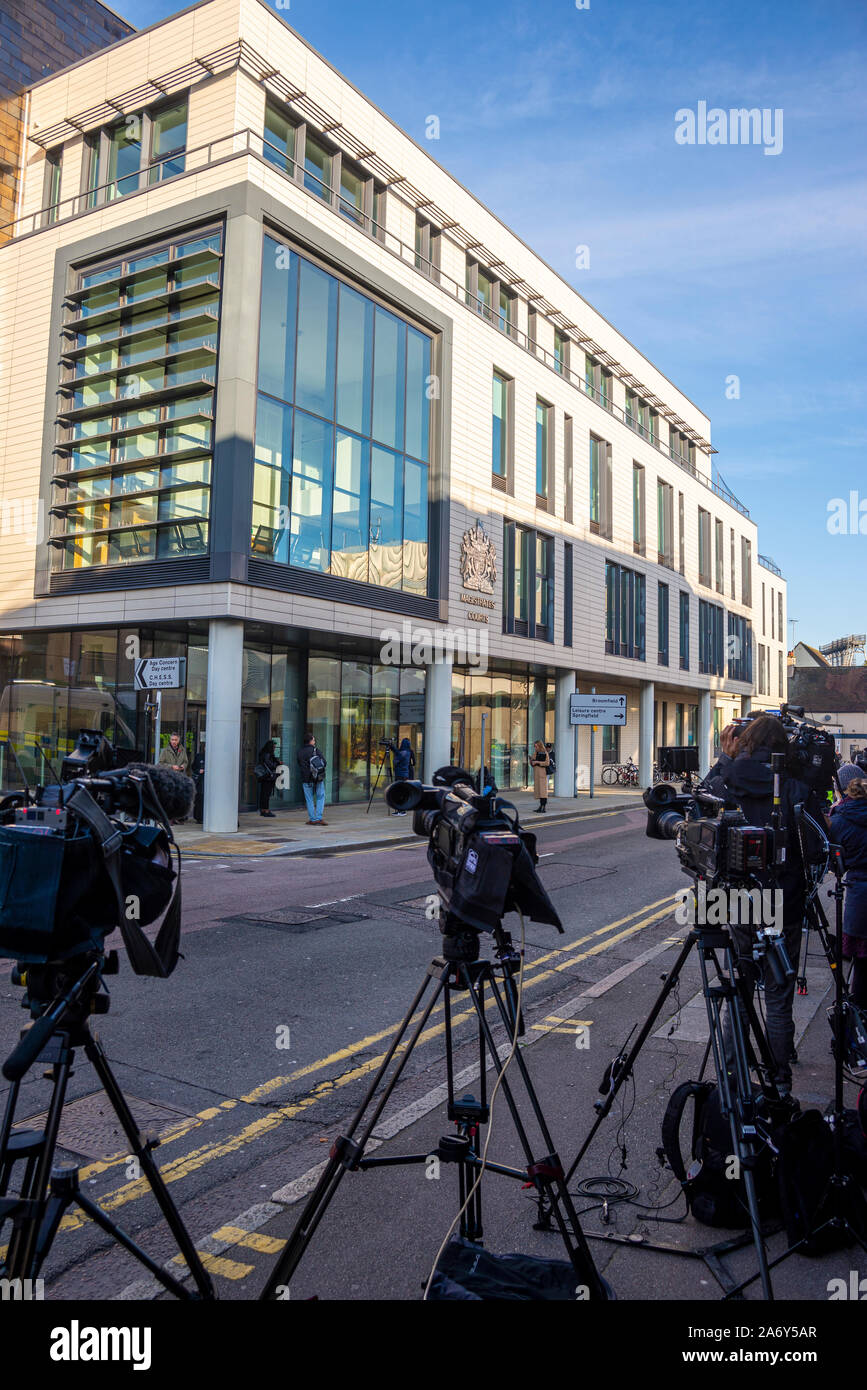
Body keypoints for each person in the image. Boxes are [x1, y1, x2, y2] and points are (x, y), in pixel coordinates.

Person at [706, 714, 825, 1096]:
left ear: (746, 742)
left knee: (739, 989)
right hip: (784, 901)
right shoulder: (794, 787)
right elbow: (820, 845)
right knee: (777, 996)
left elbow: (697, 823)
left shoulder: (725, 780)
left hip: (736, 900)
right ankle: (780, 1081)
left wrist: (724, 760)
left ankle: (729, 1075)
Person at [830, 766, 867, 1016]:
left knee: (860, 957)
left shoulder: (839, 819)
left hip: (858, 891)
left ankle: (858, 1009)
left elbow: (833, 862)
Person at [297, 732, 327, 826]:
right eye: (313, 740)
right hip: (317, 778)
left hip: (306, 779)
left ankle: (312, 819)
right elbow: (324, 763)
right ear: (310, 741)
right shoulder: (315, 750)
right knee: (320, 797)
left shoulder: (300, 752)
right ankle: (319, 818)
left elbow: (300, 765)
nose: (314, 741)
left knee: (309, 799)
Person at [255, 739, 279, 818]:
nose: (274, 748)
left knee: (263, 793)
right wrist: (276, 763)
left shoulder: (263, 753)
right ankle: (266, 810)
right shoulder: (268, 754)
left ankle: (263, 809)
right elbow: (270, 765)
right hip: (268, 777)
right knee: (266, 794)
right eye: (274, 747)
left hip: (264, 776)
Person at [391, 737, 415, 815]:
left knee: (400, 792)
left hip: (400, 774)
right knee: (401, 791)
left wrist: (392, 747)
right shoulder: (408, 752)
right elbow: (398, 754)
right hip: (405, 774)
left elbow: (398, 757)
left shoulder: (404, 752)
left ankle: (402, 810)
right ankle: (400, 810)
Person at [530, 739, 550, 813]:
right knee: (539, 792)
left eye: (536, 746)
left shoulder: (545, 752)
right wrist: (531, 761)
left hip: (542, 774)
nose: (535, 748)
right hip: (536, 774)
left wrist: (538, 762)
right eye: (534, 746)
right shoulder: (536, 753)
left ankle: (543, 807)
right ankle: (540, 806)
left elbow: (547, 763)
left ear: (539, 745)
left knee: (543, 792)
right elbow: (532, 761)